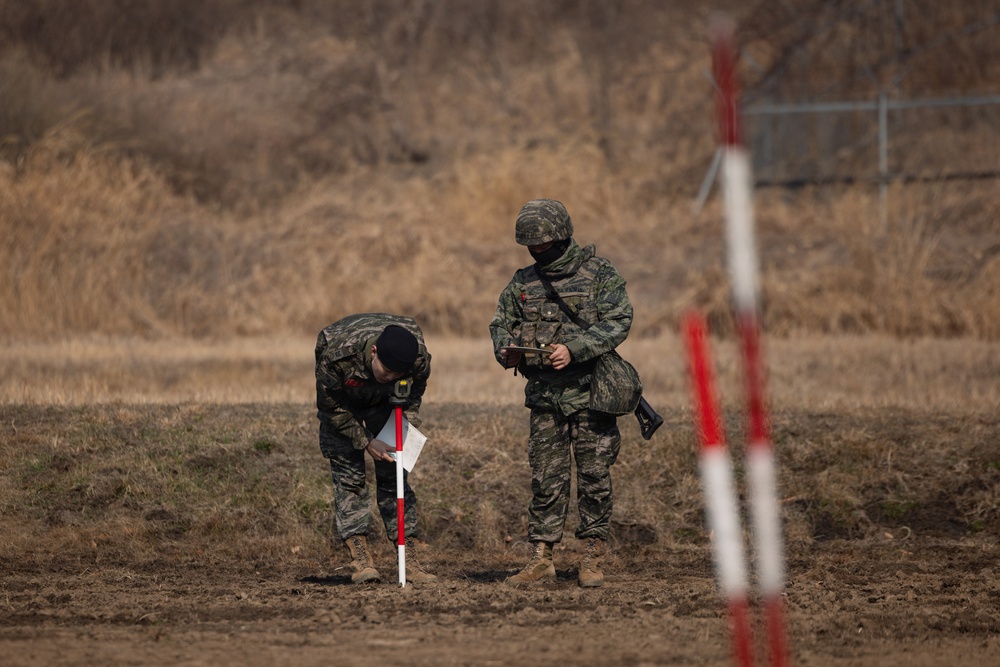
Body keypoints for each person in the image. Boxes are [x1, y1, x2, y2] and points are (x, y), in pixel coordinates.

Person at [489, 198, 634, 588]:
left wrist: (575, 349)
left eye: (543, 244)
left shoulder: (600, 274)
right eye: (531, 246)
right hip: (545, 398)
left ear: (562, 236)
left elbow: (619, 321)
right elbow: (501, 322)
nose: (537, 251)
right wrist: (506, 349)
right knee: (545, 479)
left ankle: (592, 556)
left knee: (594, 477)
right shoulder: (522, 282)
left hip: (591, 395)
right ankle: (541, 559)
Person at [314, 313, 437, 584]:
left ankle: (409, 560)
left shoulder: (417, 360)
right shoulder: (338, 357)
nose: (390, 376)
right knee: (350, 481)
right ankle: (361, 562)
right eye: (386, 370)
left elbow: (414, 392)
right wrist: (366, 441)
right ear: (373, 352)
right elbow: (330, 407)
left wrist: (404, 424)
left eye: (397, 374)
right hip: (342, 406)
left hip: (385, 403)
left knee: (396, 478)